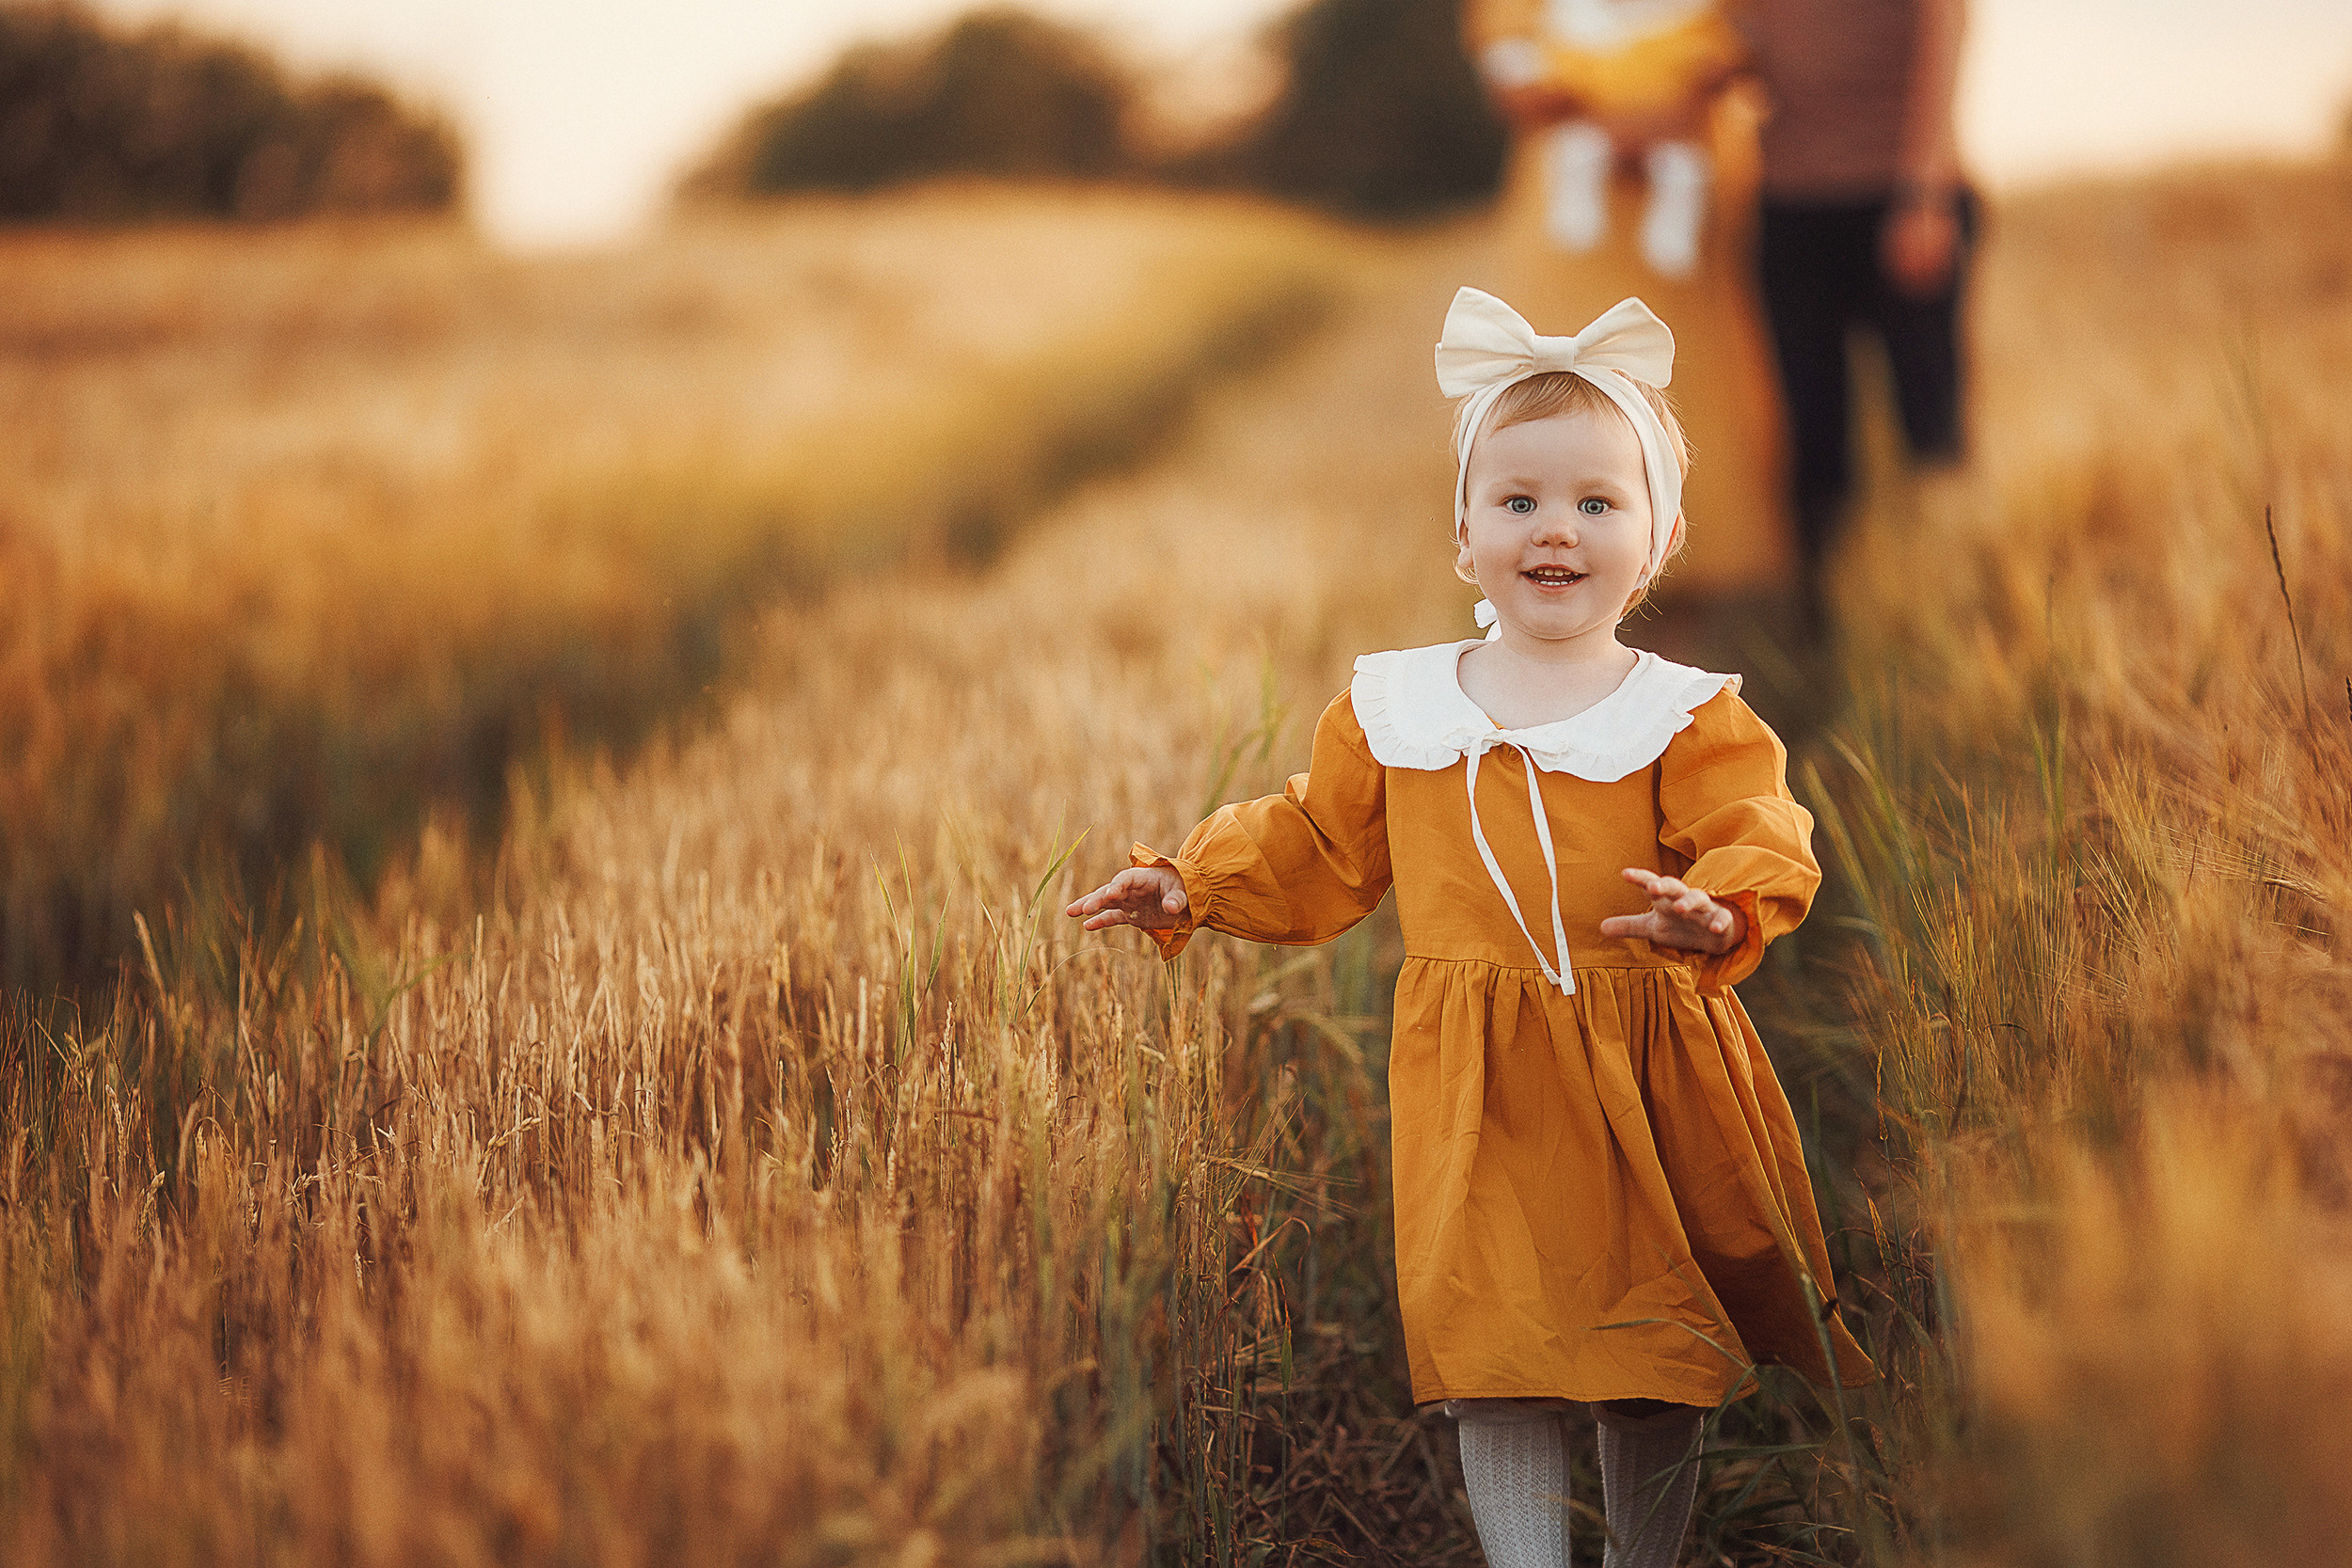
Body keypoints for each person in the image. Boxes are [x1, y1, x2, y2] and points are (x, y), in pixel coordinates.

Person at [1067, 288, 1874, 1568]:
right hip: (1477, 1082)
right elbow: (1322, 841)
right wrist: (1195, 883)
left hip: (1641, 1066)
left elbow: (1758, 822)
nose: (1558, 528)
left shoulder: (1681, 710)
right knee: (1493, 1348)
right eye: (1520, 501)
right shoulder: (1399, 705)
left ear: (1659, 536)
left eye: (1599, 502)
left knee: (1648, 1344)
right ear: (1464, 533)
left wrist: (1717, 904)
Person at [1738, 0, 1975, 615]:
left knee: (1929, 423)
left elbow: (1946, 27)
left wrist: (1925, 190)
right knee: (1811, 434)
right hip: (1789, 205)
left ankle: (1944, 604)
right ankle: (1828, 620)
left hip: (1896, 196)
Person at [1472, 0, 1748, 278]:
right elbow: (1516, 93)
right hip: (1563, 247)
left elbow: (1743, 51)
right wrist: (1617, 118)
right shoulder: (1568, 25)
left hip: (1712, 204)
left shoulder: (1690, 23)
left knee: (1683, 174)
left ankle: (1673, 238)